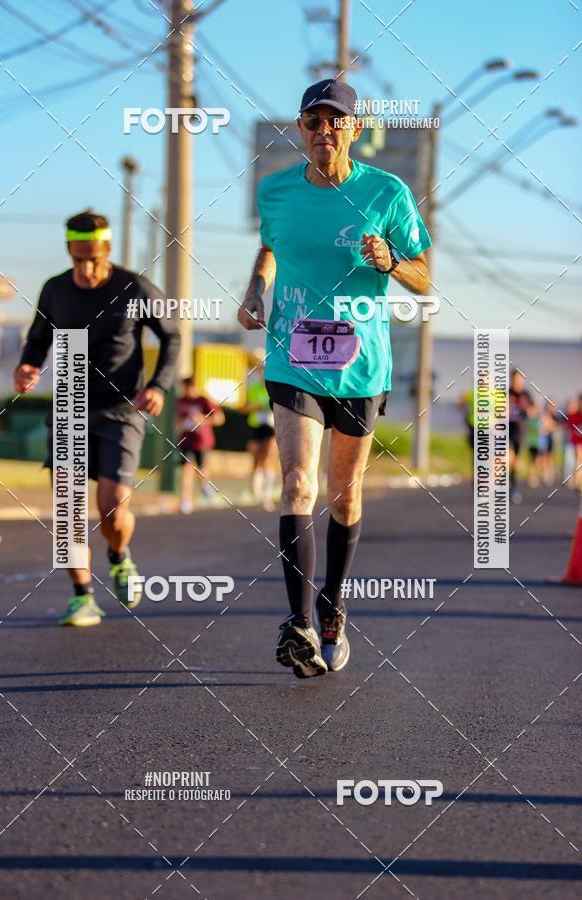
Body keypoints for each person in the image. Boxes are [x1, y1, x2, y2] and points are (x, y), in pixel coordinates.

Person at [238, 78, 431, 678]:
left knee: (345, 494)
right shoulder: (276, 193)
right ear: (301, 130)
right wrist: (256, 288)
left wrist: (393, 262)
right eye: (312, 123)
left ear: (355, 128)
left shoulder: (387, 192)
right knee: (297, 484)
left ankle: (331, 606)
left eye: (335, 122)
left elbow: (426, 277)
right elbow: (272, 247)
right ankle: (297, 622)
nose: (324, 132)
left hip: (360, 364)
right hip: (292, 356)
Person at [14, 210, 180, 626]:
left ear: (106, 250)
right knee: (67, 507)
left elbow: (171, 334)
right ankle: (82, 596)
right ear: (70, 251)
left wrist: (158, 384)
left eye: (94, 258)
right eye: (78, 258)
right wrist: (27, 366)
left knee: (112, 508)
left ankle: (120, 556)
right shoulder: (55, 290)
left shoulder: (132, 286)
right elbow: (39, 338)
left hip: (122, 408)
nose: (86, 269)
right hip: (70, 403)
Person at [176, 376, 224, 513]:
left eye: (189, 387)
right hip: (186, 440)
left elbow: (220, 418)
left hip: (202, 442)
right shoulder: (180, 401)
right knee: (186, 470)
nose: (187, 390)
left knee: (202, 471)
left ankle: (205, 487)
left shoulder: (204, 401)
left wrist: (202, 420)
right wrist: (181, 423)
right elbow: (177, 419)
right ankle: (185, 500)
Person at [244, 350, 278, 511]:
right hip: (256, 424)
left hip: (271, 426)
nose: (261, 373)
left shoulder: (274, 387)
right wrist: (255, 407)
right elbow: (245, 407)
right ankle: (256, 493)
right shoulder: (253, 388)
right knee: (256, 458)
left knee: (268, 457)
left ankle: (267, 494)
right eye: (260, 370)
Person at [508, 369, 532, 504]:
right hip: (506, 431)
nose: (518, 381)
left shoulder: (526, 394)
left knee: (515, 462)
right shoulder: (506, 393)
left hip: (520, 431)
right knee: (508, 456)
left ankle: (513, 487)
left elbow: (532, 411)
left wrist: (530, 411)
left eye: (520, 378)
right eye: (516, 378)